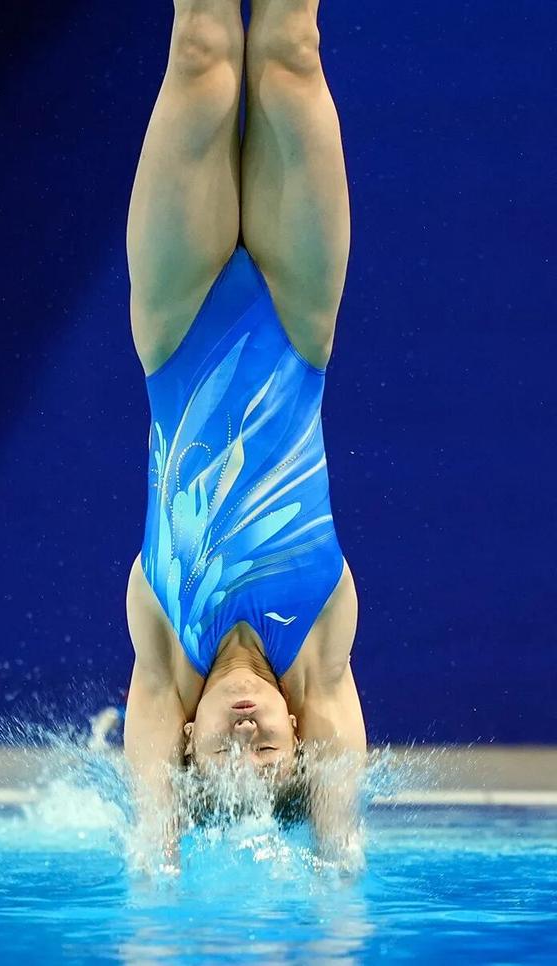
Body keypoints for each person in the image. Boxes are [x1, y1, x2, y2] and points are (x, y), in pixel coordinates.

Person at [124, 0, 366, 863]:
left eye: (223, 754)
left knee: (200, 48)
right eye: (267, 755)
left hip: (178, 328)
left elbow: (151, 851)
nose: (245, 735)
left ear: (185, 742)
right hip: (298, 325)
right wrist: (336, 870)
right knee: (292, 50)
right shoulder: (319, 654)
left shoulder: (167, 650)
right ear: (301, 733)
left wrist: (159, 863)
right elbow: (342, 856)